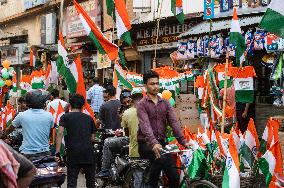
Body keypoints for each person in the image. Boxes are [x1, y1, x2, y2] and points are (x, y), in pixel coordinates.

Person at [137, 71, 190, 188]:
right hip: (146, 144)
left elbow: (174, 122)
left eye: (157, 83)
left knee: (175, 177)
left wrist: (183, 141)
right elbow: (145, 125)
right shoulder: (142, 104)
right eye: (152, 84)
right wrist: (154, 142)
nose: (155, 86)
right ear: (145, 86)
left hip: (162, 143)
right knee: (160, 160)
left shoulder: (165, 103)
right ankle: (150, 184)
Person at [56, 94, 97, 188]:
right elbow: (92, 138)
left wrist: (58, 152)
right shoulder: (89, 118)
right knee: (91, 181)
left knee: (72, 181)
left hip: (72, 152)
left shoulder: (65, 117)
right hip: (88, 152)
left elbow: (59, 133)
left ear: (70, 104)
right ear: (83, 106)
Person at [1, 89, 54, 158]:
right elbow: (50, 131)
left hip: (27, 153)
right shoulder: (49, 115)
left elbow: (9, 129)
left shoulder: (21, 115)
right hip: (45, 153)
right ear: (42, 102)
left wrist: (4, 135)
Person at [121, 89, 143, 158]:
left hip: (134, 152)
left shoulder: (126, 113)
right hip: (150, 151)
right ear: (142, 97)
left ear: (131, 99)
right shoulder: (149, 110)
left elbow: (127, 133)